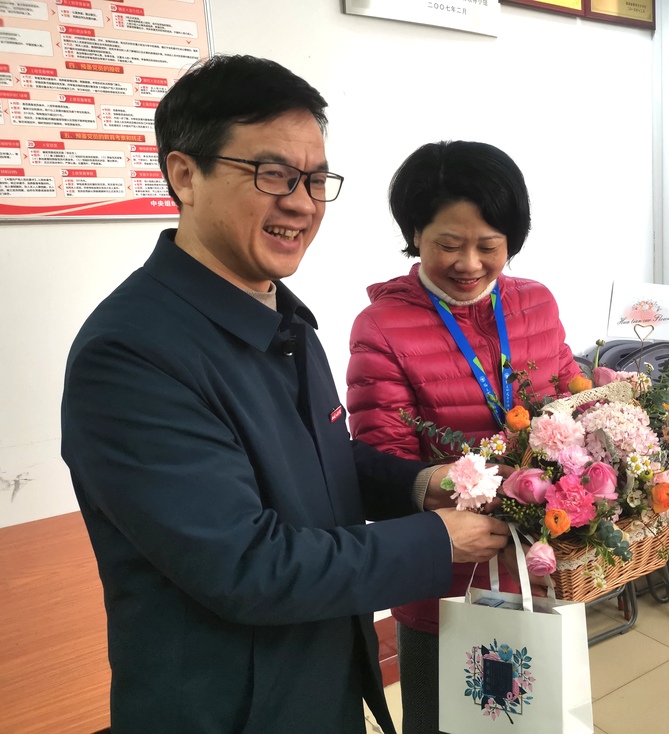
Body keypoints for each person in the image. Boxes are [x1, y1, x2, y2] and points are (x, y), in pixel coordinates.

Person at [60, 56, 512, 734]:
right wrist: (435, 541)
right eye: (271, 174)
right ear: (185, 175)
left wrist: (422, 485)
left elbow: (318, 462)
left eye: (314, 179)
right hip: (228, 707)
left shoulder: (283, 319)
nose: (301, 202)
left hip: (317, 670)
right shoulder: (132, 355)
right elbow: (246, 564)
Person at [346, 140, 580, 733]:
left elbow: (567, 401)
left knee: (530, 719)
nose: (469, 263)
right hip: (446, 578)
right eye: (448, 245)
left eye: (489, 245)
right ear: (415, 234)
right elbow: (386, 465)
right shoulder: (383, 327)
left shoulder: (535, 302)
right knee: (446, 718)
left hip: (538, 567)